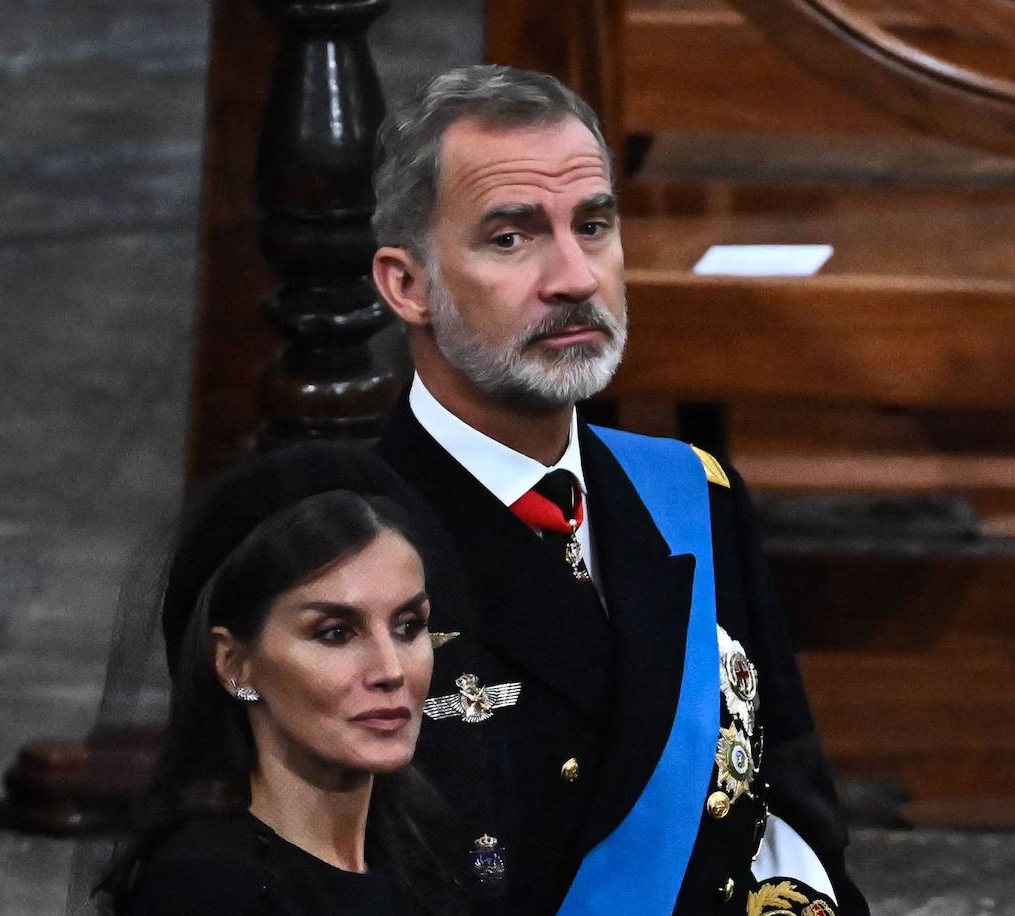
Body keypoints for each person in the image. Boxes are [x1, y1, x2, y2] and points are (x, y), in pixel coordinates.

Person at [371, 65, 868, 915]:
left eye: (593, 226)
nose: (574, 277)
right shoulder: (335, 540)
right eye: (511, 238)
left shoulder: (693, 496)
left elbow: (793, 812)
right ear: (407, 284)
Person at [94, 444, 468, 916]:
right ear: (234, 664)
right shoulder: (207, 889)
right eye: (336, 633)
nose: (391, 670)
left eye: (408, 626)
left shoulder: (423, 849)